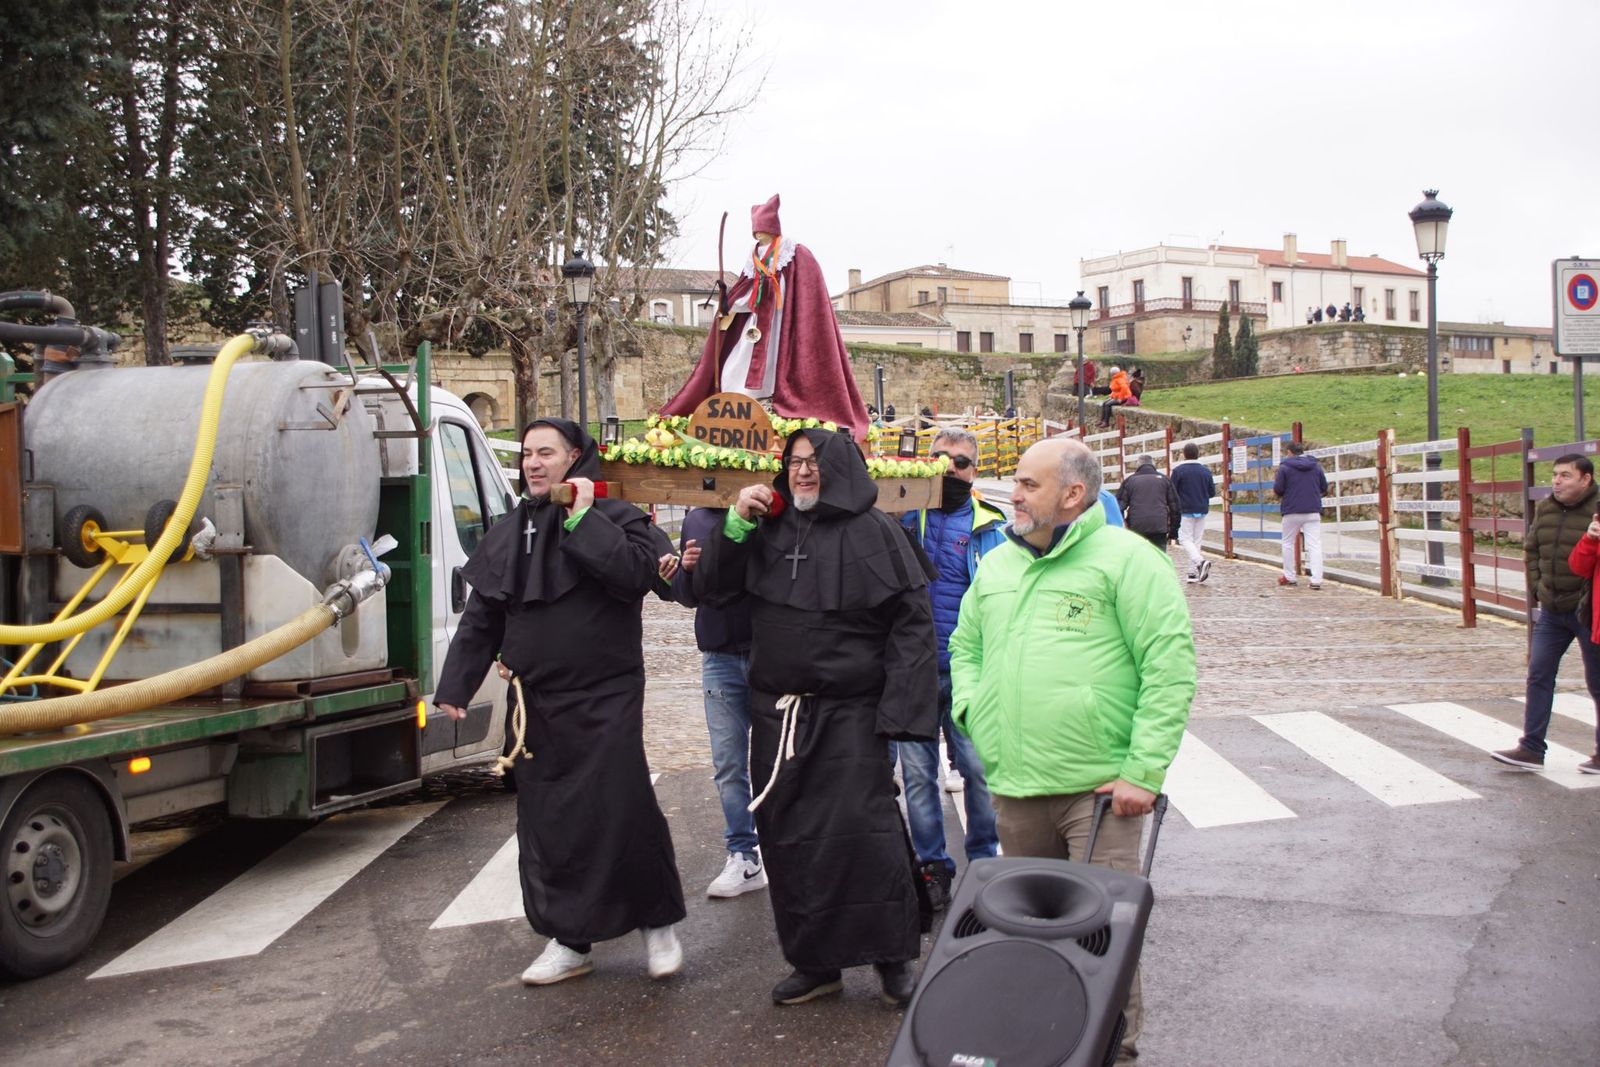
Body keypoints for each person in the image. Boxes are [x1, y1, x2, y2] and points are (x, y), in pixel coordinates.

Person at [950, 437, 1196, 1064]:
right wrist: (975, 711)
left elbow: (1169, 668)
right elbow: (965, 647)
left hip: (1100, 793)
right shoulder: (1000, 564)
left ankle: (1113, 1050)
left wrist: (1144, 770)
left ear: (1073, 494)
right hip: (1016, 787)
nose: (1015, 494)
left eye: (1029, 484)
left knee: (1101, 938)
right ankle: (1045, 1044)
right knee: (1027, 933)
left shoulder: (1129, 560)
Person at [435, 418, 687, 986]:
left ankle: (657, 924)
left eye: (545, 453)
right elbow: (482, 617)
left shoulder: (619, 517)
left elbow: (637, 575)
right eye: (526, 454)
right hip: (537, 705)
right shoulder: (512, 528)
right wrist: (456, 686)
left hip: (606, 696)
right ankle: (570, 940)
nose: (533, 463)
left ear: (575, 456)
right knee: (550, 826)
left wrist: (580, 518)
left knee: (620, 810)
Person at [694, 427, 939, 1008]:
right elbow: (710, 589)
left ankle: (892, 959)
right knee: (791, 839)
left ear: (841, 468)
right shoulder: (766, 526)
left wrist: (900, 715)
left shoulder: (875, 531)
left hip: (850, 713)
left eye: (814, 462)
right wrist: (734, 525)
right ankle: (815, 962)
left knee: (866, 835)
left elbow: (912, 628)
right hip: (777, 715)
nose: (802, 472)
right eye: (794, 462)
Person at [896, 428, 1003, 910]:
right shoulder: (903, 518)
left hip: (967, 672)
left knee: (979, 771)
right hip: (912, 671)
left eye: (959, 461)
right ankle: (933, 866)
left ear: (973, 470)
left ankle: (984, 860)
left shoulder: (990, 529)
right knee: (919, 778)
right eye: (938, 458)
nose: (947, 468)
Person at [662, 194, 869, 438]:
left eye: (762, 230)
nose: (758, 235)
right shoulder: (754, 257)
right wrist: (728, 301)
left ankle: (771, 409)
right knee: (735, 367)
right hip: (755, 325)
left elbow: (805, 292)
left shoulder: (794, 252)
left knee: (775, 365)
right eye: (756, 231)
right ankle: (738, 409)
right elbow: (747, 289)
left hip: (784, 323)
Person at [667, 508, 769, 898]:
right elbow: (687, 597)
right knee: (728, 762)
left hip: (769, 652)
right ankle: (743, 853)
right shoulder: (695, 518)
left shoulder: (770, 509)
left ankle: (786, 846)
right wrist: (686, 572)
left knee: (777, 761)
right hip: (719, 656)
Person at [1494, 455, 1600, 773]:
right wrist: (1538, 588)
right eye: (1554, 475)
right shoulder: (1547, 507)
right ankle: (1531, 748)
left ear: (1586, 479)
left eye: (1565, 475)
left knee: (1597, 682)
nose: (1556, 481)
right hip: (1552, 610)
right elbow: (1531, 548)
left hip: (1588, 610)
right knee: (1539, 674)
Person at [1272, 439, 1327, 589]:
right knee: (1314, 545)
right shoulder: (1316, 466)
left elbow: (1278, 489)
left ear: (1289, 452)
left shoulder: (1285, 467)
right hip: (1312, 510)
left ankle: (1290, 576)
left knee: (1288, 543)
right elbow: (1324, 486)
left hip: (1292, 510)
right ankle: (1316, 579)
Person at [1170, 442, 1216, 583]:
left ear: (1184, 454)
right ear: (1198, 454)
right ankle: (1192, 572)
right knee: (1196, 540)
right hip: (1201, 509)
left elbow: (1172, 492)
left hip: (1185, 509)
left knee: (1184, 539)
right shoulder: (1205, 471)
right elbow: (1212, 492)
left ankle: (1200, 562)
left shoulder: (1178, 471)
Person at [1117, 454, 1180, 553]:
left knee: (1138, 557)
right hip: (1159, 527)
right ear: (1153, 465)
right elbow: (1175, 508)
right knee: (1159, 558)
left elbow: (1118, 507)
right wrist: (1173, 532)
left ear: (1138, 466)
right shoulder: (1165, 480)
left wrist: (1122, 527)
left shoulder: (1130, 481)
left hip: (1136, 527)